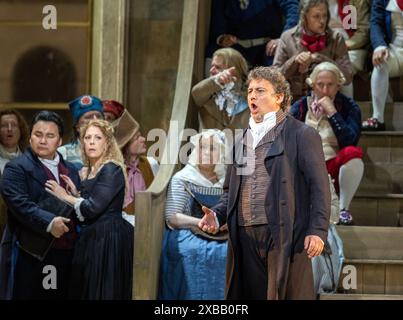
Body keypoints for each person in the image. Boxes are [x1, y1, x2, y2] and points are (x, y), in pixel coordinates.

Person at [199, 66, 331, 300]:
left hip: (283, 233)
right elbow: (230, 191)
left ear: (278, 97)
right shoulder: (241, 139)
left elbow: (319, 188)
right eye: (250, 91)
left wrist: (317, 230)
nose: (252, 96)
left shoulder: (301, 135)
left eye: (260, 90)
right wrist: (218, 215)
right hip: (244, 233)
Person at [45, 119, 134, 300]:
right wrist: (77, 193)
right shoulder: (90, 170)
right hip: (91, 237)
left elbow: (92, 208)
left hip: (109, 239)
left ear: (107, 143)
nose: (91, 142)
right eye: (87, 137)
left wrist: (65, 196)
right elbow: (89, 207)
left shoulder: (111, 169)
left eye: (97, 137)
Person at [0, 111, 80, 300]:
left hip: (69, 252)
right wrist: (50, 222)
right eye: (38, 134)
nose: (43, 140)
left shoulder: (73, 170)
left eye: (50, 136)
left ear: (60, 141)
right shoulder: (16, 168)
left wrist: (76, 197)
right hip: (32, 252)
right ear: (30, 138)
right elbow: (20, 205)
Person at [290, 62, 363, 225]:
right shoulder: (300, 106)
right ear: (312, 85)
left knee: (353, 154)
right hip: (303, 167)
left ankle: (343, 209)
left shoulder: (349, 107)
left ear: (338, 86)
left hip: (332, 165)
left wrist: (333, 113)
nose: (324, 90)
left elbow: (350, 140)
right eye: (320, 85)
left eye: (330, 85)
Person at [159, 130, 228, 300]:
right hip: (189, 232)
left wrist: (224, 223)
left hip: (223, 234)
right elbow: (172, 216)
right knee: (191, 250)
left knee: (230, 251)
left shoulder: (228, 180)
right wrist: (202, 222)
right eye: (202, 147)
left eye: (212, 148)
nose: (206, 152)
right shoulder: (183, 178)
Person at [273, 0, 353, 101]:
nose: (322, 21)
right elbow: (274, 79)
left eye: (325, 15)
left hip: (328, 101)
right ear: (304, 17)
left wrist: (319, 58)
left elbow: (347, 77)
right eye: (316, 16)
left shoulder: (336, 38)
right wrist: (295, 60)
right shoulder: (288, 37)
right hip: (294, 102)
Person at [206, 0, 299, 68]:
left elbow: (292, 8)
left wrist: (283, 39)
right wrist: (222, 38)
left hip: (270, 45)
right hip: (238, 48)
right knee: (214, 56)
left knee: (276, 73)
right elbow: (217, 27)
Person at [361, 0, 403, 131]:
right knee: (381, 62)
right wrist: (379, 46)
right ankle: (378, 118)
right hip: (395, 50)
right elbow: (376, 23)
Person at [113, 110, 159, 216]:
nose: (143, 139)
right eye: (137, 138)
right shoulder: (115, 170)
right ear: (126, 146)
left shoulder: (151, 163)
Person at [192, 48, 250, 132]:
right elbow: (196, 92)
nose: (211, 70)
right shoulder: (207, 94)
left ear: (234, 72)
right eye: (212, 66)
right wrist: (217, 81)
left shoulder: (250, 101)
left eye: (217, 67)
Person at [327, 0, 371, 97]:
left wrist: (343, 46)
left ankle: (348, 110)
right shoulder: (314, 2)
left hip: (353, 48)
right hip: (324, 47)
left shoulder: (357, 2)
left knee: (343, 68)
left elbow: (363, 31)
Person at [0, 109, 29, 239]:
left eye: (14, 125)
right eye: (4, 125)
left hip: (23, 227)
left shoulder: (30, 160)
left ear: (21, 130)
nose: (9, 129)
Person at [58, 94, 104, 170]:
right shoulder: (63, 153)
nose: (95, 121)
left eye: (99, 116)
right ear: (77, 127)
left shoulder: (111, 152)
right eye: (88, 117)